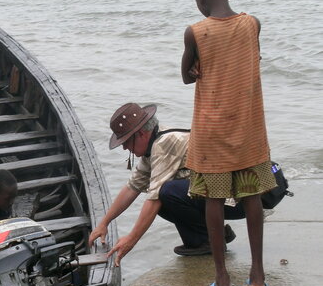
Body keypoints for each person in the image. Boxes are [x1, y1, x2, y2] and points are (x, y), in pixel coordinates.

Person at [181, 0, 275, 286]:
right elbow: (249, 57)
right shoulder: (252, 24)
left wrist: (194, 65)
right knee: (252, 197)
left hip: (212, 133)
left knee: (214, 201)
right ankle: (258, 277)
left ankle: (222, 280)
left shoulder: (195, 32)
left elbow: (187, 76)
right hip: (248, 129)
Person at [88, 102, 243, 266]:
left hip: (236, 199)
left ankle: (206, 241)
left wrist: (130, 240)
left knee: (166, 193)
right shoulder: (153, 144)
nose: (125, 148)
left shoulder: (164, 144)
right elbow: (132, 188)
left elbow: (154, 199)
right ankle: (213, 236)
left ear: (141, 134)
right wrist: (104, 223)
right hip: (218, 197)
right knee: (163, 195)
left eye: (126, 142)